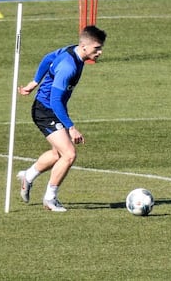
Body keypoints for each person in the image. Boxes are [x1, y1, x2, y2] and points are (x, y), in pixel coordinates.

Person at [16, 25, 107, 212]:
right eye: (96, 48)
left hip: (52, 108)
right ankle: (50, 198)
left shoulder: (72, 50)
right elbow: (55, 100)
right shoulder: (68, 67)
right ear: (84, 46)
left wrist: (34, 82)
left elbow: (48, 58)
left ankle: (29, 176)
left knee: (57, 154)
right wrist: (71, 127)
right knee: (69, 154)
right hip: (46, 110)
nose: (100, 52)